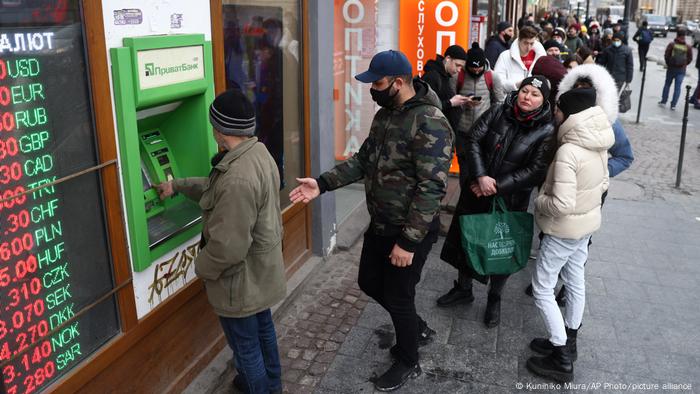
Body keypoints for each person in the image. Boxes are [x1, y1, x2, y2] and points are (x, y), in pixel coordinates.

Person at [289, 50, 453, 392]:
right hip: (380, 222)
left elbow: (431, 188)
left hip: (409, 230)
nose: (372, 90)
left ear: (398, 82)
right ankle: (416, 327)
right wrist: (321, 184)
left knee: (398, 295)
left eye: (377, 83)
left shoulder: (430, 121)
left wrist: (408, 242)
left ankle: (408, 359)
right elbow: (363, 161)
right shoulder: (386, 116)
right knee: (368, 281)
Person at [156, 89, 286, 394]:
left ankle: (261, 389)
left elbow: (228, 247)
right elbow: (217, 189)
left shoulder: (237, 177)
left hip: (239, 283)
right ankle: (273, 385)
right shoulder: (257, 153)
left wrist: (200, 267)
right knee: (263, 331)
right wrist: (177, 185)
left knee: (246, 348)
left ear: (220, 130)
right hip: (259, 273)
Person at [437, 76, 557, 328]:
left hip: (509, 200)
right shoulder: (498, 110)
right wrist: (480, 176)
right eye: (525, 90)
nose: (527, 97)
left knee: (501, 249)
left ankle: (495, 298)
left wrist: (494, 186)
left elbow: (535, 170)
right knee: (467, 241)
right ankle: (463, 288)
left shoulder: (546, 130)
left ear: (543, 100)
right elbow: (473, 140)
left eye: (535, 94)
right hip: (475, 189)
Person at [524, 63, 635, 303]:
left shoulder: (609, 123)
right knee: (549, 235)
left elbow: (626, 157)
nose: (580, 94)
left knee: (579, 239)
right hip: (557, 185)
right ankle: (547, 281)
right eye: (577, 88)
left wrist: (598, 172)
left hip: (588, 192)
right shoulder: (561, 113)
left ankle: (566, 287)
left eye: (586, 90)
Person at [527, 87, 614, 383]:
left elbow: (561, 204)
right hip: (585, 225)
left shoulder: (568, 150)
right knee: (575, 280)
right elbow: (603, 184)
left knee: (542, 287)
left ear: (569, 113)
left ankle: (561, 357)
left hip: (563, 230)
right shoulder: (598, 142)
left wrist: (539, 201)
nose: (555, 113)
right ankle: (568, 339)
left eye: (558, 109)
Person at [422, 44, 470, 128]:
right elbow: (426, 108)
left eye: (461, 67)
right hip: (435, 132)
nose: (459, 70)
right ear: (448, 59)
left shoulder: (445, 76)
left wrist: (461, 102)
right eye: (457, 65)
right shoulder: (432, 76)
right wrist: (451, 103)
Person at [494, 26, 546, 95]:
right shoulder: (505, 56)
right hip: (510, 101)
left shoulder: (540, 57)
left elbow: (545, 82)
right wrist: (516, 85)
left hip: (532, 102)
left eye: (531, 43)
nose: (528, 47)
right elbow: (497, 83)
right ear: (519, 40)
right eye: (525, 43)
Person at [658, 30, 694, 110]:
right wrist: (684, 64)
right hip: (681, 70)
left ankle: (664, 101)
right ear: (684, 36)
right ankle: (673, 105)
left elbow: (666, 55)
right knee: (677, 88)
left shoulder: (672, 44)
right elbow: (690, 58)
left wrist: (669, 64)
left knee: (667, 84)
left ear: (677, 35)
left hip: (671, 68)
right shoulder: (688, 47)